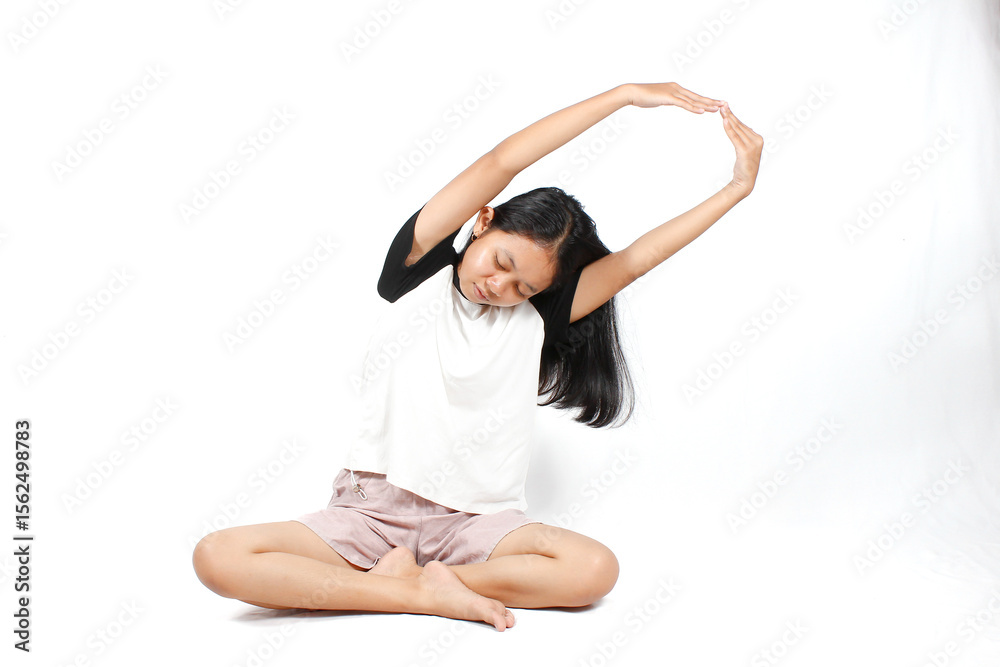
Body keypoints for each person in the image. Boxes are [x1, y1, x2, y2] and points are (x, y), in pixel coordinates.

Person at [192, 82, 763, 632]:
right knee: (218, 557)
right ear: (482, 221)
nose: (501, 286)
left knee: (595, 570)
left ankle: (414, 583)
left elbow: (637, 259)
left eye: (524, 287)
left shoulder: (537, 318)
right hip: (371, 510)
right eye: (501, 262)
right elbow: (501, 162)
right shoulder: (417, 267)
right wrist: (622, 96)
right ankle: (415, 592)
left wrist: (737, 188)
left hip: (476, 525)